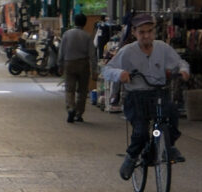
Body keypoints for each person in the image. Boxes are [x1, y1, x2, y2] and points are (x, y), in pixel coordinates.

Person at [102, 12, 190, 180]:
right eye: (141, 32)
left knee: (171, 114)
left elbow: (180, 63)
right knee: (141, 132)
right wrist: (120, 74)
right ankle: (131, 157)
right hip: (136, 96)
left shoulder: (163, 48)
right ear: (134, 32)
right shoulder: (127, 51)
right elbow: (107, 69)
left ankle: (168, 146)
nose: (146, 35)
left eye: (149, 31)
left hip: (158, 93)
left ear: (154, 32)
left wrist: (184, 71)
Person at [57, 13, 97, 124]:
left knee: (70, 89)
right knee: (82, 90)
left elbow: (62, 51)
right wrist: (94, 70)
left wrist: (60, 65)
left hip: (69, 63)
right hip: (83, 64)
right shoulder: (87, 36)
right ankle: (79, 114)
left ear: (74, 22)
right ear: (84, 23)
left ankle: (71, 108)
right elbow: (92, 54)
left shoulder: (66, 34)